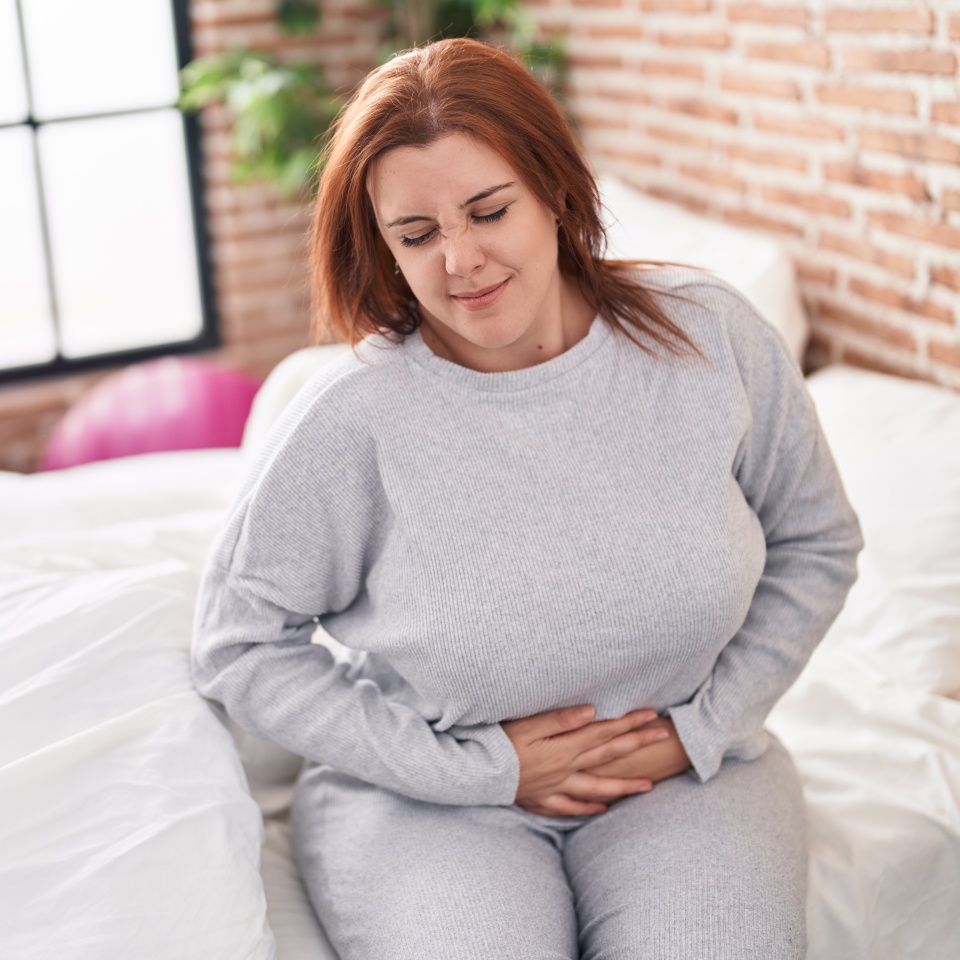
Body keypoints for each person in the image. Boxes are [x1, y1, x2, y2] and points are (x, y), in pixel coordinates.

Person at [191, 37, 863, 960]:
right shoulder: (355, 419)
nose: (460, 260)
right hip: (430, 806)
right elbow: (238, 642)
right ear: (383, 249)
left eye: (488, 210)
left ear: (554, 188)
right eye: (416, 235)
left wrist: (701, 726)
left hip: (685, 780)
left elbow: (816, 541)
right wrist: (472, 769)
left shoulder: (710, 337)